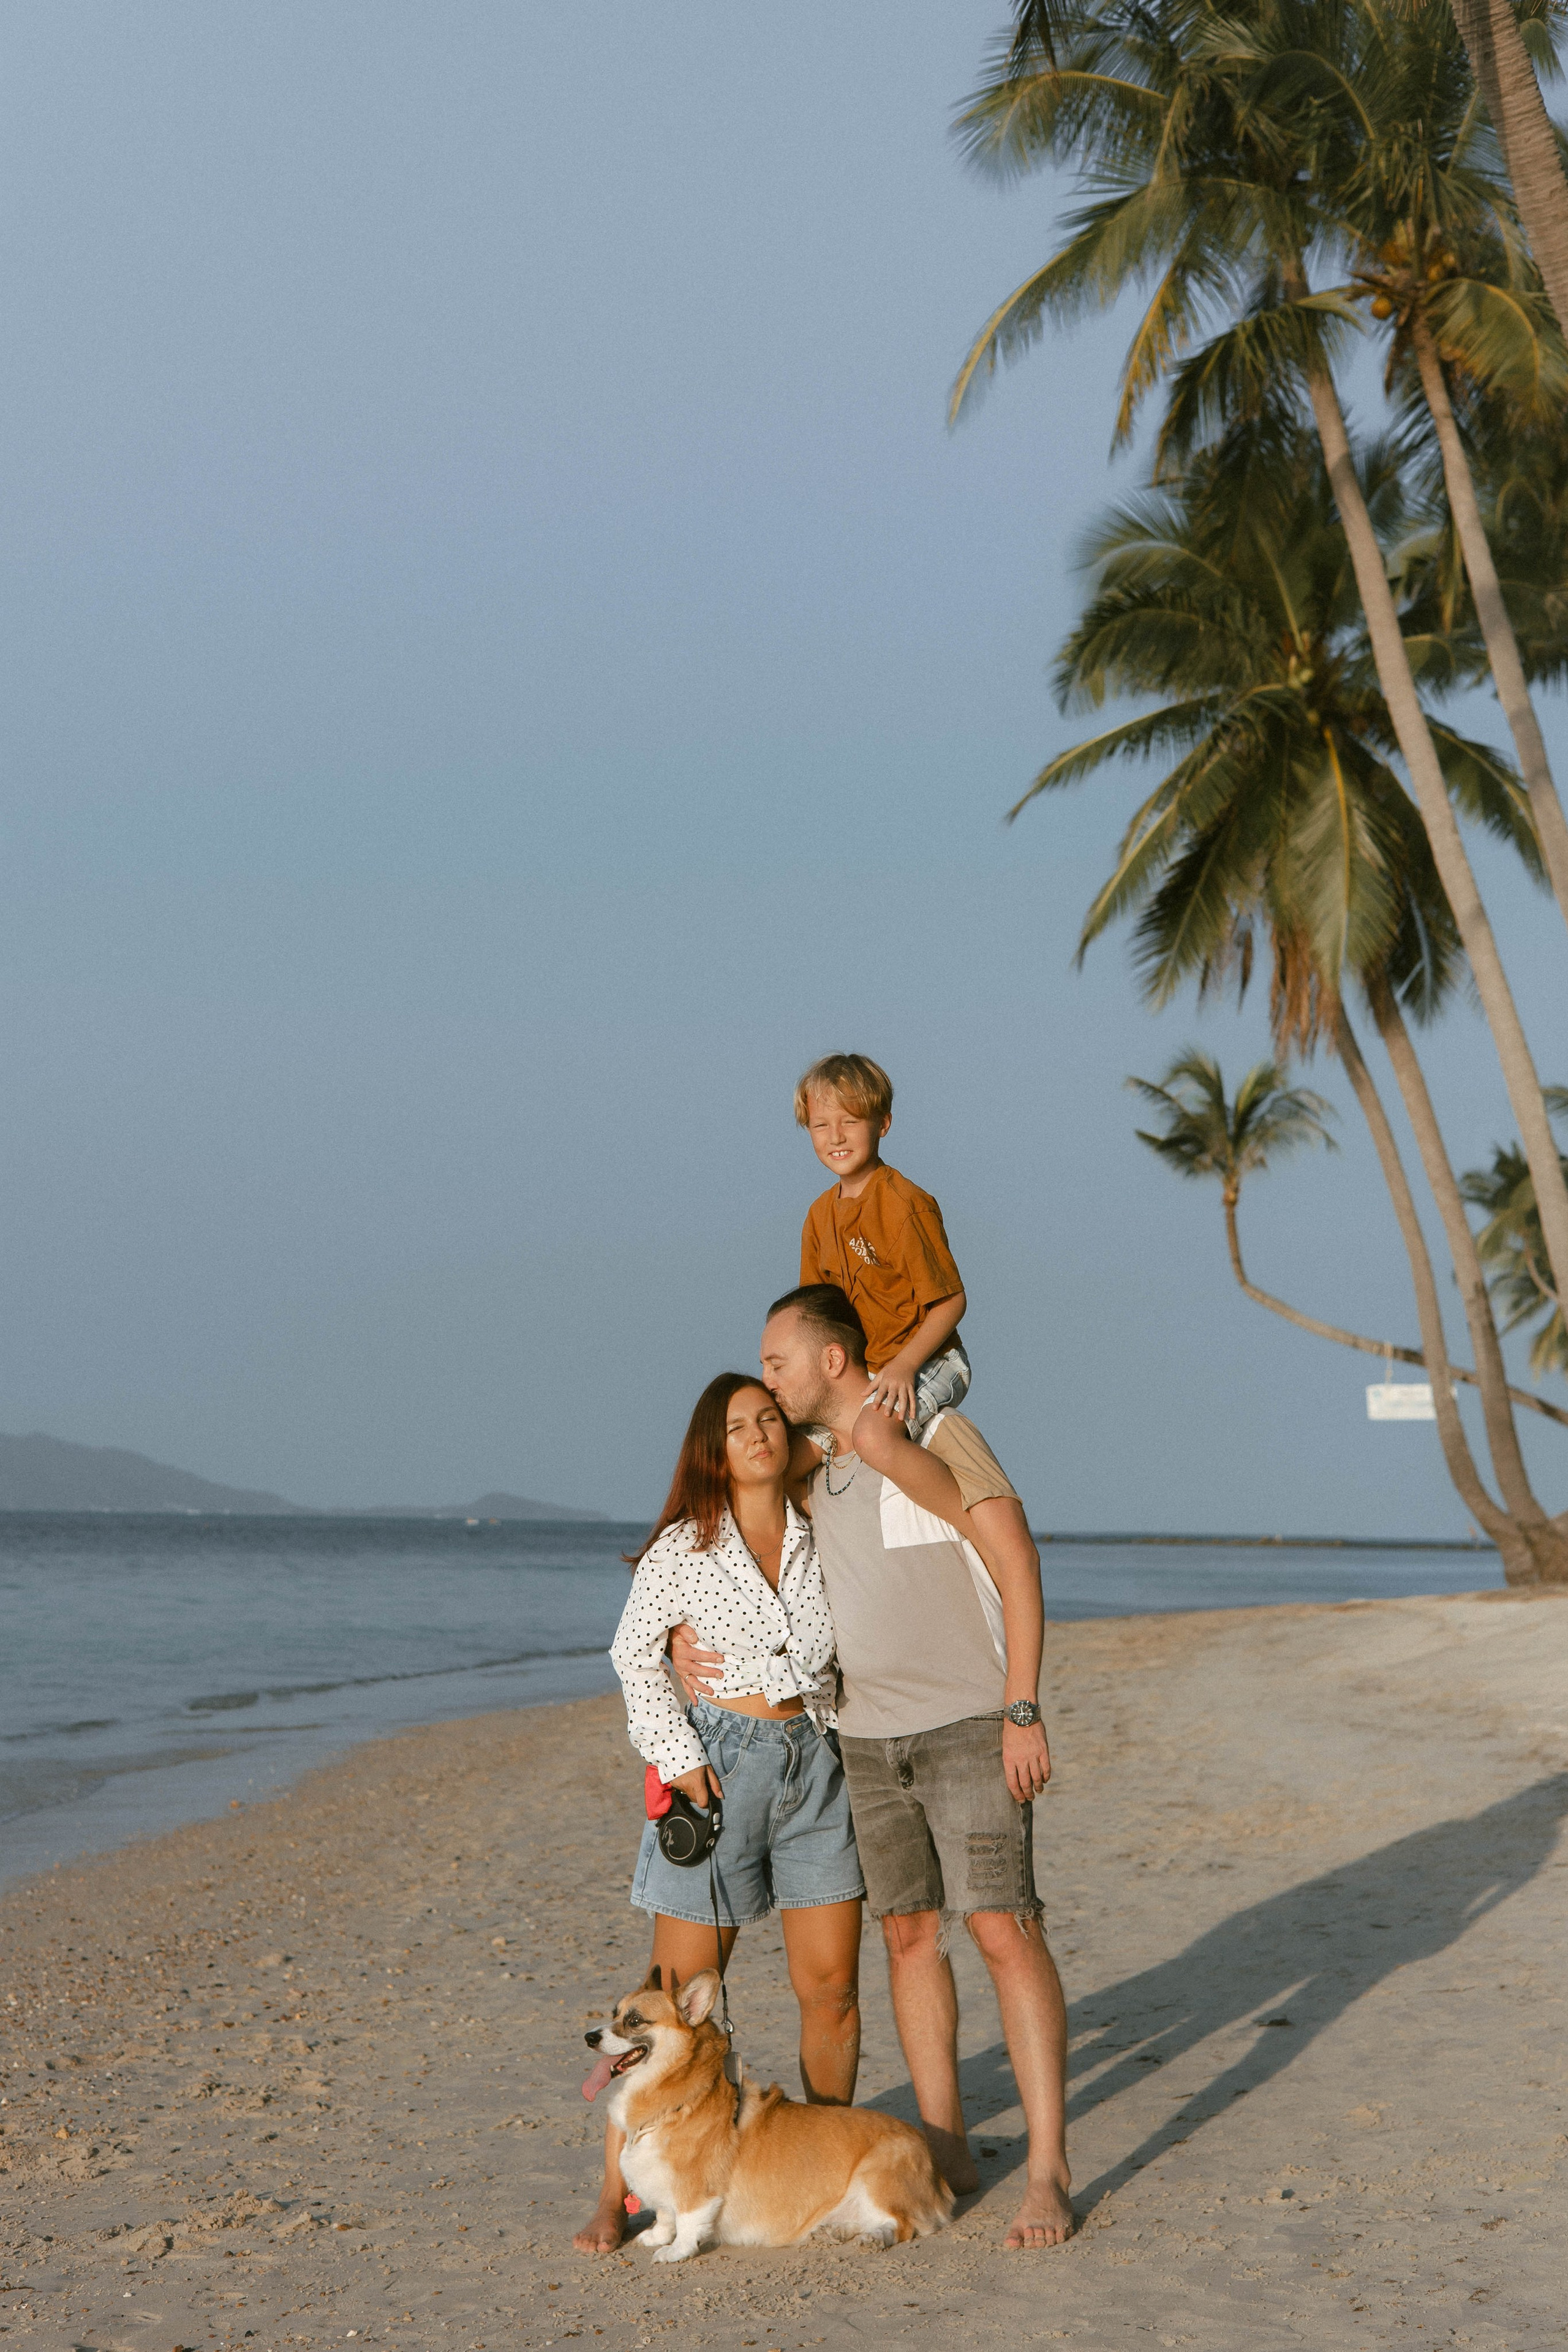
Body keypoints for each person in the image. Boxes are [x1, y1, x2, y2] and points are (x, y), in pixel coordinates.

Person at [676, 1286, 1074, 2251]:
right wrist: (676, 1643)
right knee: (907, 1941)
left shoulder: (936, 1429)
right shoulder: (817, 1472)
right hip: (865, 1737)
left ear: (835, 1360)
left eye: (778, 1362)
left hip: (971, 1725)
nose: (766, 1378)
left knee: (1003, 1930)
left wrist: (1023, 1707)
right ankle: (947, 2149)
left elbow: (1015, 1558)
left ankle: (1050, 2171)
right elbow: (720, 1552)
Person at [573, 1371, 865, 2258]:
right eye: (738, 1424)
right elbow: (632, 1657)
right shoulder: (684, 1550)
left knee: (833, 1992)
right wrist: (683, 1758)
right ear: (714, 1446)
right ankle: (618, 2200)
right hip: (719, 1773)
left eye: (770, 1417)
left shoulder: (829, 1529)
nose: (758, 1433)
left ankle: (825, 2160)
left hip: (819, 1762)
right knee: (667, 2012)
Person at [794, 1053, 971, 1488]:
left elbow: (951, 1301)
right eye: (821, 1125)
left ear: (883, 1124)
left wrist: (904, 1365)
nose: (836, 1135)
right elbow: (817, 1319)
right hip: (864, 1371)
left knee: (871, 1435)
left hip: (928, 1359)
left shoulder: (905, 1204)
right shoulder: (818, 1216)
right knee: (789, 1451)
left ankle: (968, 1524)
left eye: (850, 1121)